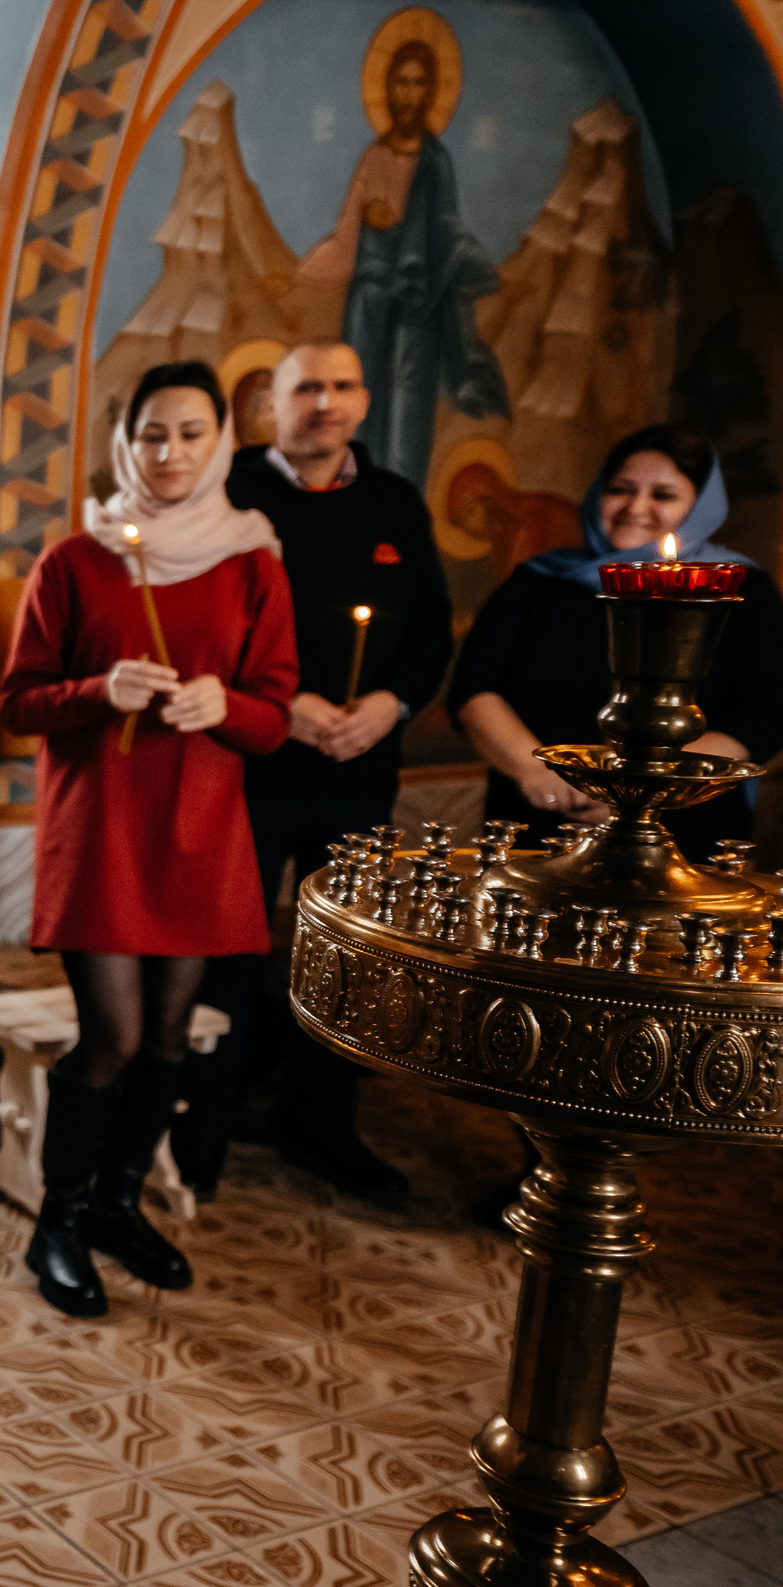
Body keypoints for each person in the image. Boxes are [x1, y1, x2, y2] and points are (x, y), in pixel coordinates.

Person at [0, 360, 297, 1319]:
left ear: (223, 444)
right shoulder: (75, 560)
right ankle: (58, 1223)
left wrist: (229, 704)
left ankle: (119, 1208)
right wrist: (98, 690)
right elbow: (17, 704)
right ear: (124, 443)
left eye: (191, 434)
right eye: (151, 435)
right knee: (114, 1036)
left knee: (169, 1038)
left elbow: (276, 714)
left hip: (203, 829)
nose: (170, 454)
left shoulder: (254, 559)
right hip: (104, 832)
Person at [187, 339, 451, 1207]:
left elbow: (430, 635)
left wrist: (389, 705)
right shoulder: (228, 495)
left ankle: (325, 1126)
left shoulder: (394, 503)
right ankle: (202, 1130)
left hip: (357, 769)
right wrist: (283, 703)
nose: (324, 403)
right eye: (307, 389)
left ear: (364, 403)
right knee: (227, 949)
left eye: (342, 386)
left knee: (346, 957)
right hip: (250, 766)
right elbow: (199, 627)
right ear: (271, 405)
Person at [451, 425, 783, 859]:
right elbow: (475, 686)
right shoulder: (539, 580)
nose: (636, 507)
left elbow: (765, 711)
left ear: (700, 506)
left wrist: (637, 793)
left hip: (681, 832)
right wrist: (538, 773)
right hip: (540, 815)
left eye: (663, 495)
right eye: (620, 489)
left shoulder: (736, 588)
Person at [292, 18, 506, 487]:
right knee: (359, 409)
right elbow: (346, 238)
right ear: (387, 90)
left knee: (407, 416)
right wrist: (298, 275)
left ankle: (399, 518)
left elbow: (446, 232)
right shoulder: (373, 158)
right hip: (368, 308)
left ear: (430, 92)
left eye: (418, 84)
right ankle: (355, 507)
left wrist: (407, 231)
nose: (408, 95)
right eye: (401, 83)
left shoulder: (436, 163)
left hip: (417, 309)